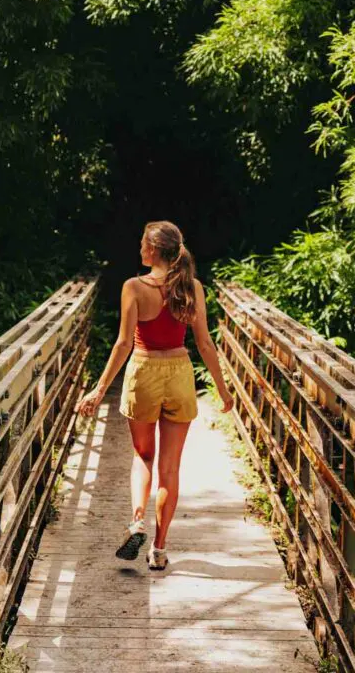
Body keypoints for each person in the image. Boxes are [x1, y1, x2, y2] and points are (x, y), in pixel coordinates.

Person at [76, 220, 234, 571]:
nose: (139, 248)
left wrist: (100, 388)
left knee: (143, 456)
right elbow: (205, 344)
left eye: (143, 244)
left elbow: (123, 343)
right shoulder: (192, 286)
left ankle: (136, 523)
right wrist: (223, 390)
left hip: (144, 372)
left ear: (153, 250)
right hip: (179, 373)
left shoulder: (134, 287)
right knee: (170, 469)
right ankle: (159, 550)